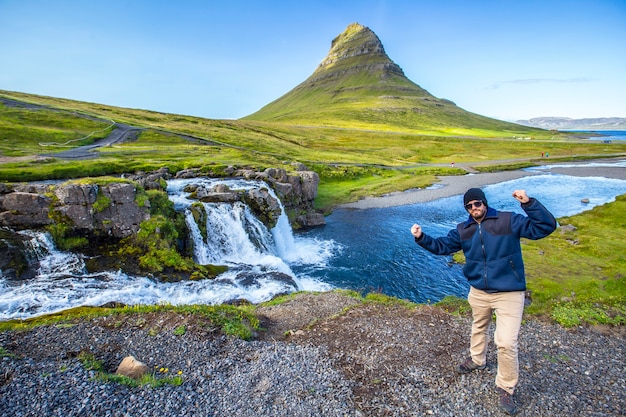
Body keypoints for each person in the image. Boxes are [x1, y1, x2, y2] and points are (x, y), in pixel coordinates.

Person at [410, 187, 556, 415]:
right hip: (478, 291)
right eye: (469, 206)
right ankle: (478, 359)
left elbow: (544, 227)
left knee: (506, 342)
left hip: (509, 292)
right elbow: (441, 246)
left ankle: (506, 387)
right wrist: (421, 237)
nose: (473, 208)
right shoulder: (464, 230)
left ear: (484, 202)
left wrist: (528, 204)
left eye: (477, 203)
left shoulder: (508, 221)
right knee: (479, 326)